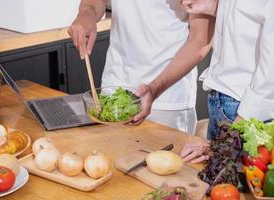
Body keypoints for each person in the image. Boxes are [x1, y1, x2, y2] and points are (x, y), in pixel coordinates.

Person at [68, 0, 215, 134]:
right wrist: (87, 12)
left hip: (166, 102)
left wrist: (154, 88)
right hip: (113, 95)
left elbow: (201, 40)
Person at [178, 0, 274, 163]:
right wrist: (220, 8)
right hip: (225, 104)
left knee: (234, 186)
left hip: (243, 113)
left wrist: (232, 136)